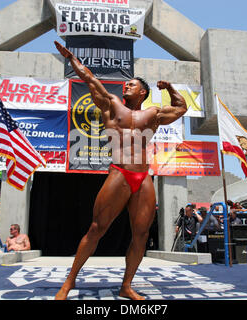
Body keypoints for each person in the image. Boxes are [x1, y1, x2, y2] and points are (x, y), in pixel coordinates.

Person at [54, 40, 188, 300]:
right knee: (97, 228)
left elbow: (182, 108)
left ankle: (126, 286)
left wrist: (170, 87)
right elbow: (90, 79)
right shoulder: (112, 103)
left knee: (141, 234)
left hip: (143, 176)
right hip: (119, 173)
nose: (126, 85)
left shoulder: (153, 114)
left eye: (132, 84)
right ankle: (69, 282)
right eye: (126, 83)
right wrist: (71, 59)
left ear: (143, 93)